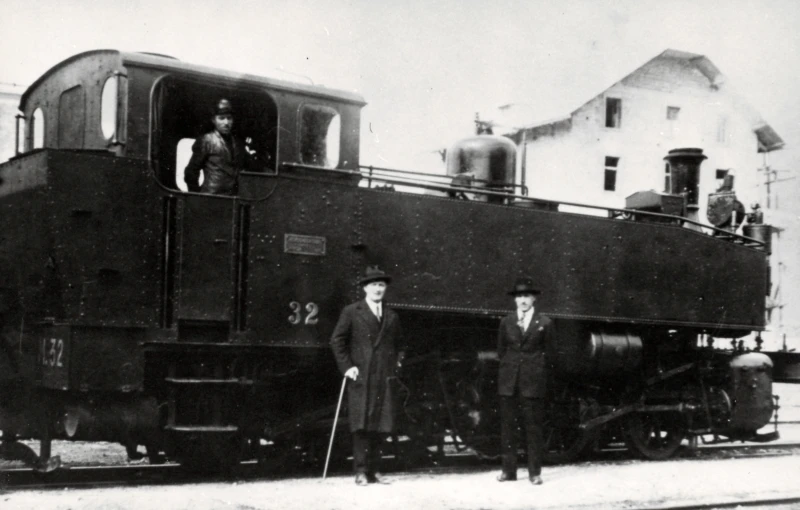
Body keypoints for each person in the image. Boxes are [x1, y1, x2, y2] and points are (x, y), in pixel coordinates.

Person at [330, 266, 403, 486]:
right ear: (365, 288)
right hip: (362, 376)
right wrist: (347, 367)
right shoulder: (352, 311)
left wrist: (396, 365)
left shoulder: (392, 315)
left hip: (384, 377)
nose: (378, 289)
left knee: (381, 425)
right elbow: (337, 340)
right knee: (361, 425)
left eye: (381, 285)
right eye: (373, 285)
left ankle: (375, 470)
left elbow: (400, 345)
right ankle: (360, 471)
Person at [496, 277, 553, 485]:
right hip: (509, 383)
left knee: (533, 429)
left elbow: (550, 353)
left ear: (534, 299)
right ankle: (508, 472)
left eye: (527, 296)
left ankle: (534, 473)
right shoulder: (506, 322)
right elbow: (501, 351)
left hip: (532, 383)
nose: (523, 300)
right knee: (508, 429)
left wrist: (536, 371)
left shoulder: (545, 323)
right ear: (515, 299)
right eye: (519, 296)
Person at [184, 98, 249, 195]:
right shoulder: (206, 140)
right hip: (211, 198)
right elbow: (191, 172)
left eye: (229, 118)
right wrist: (196, 197)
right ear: (213, 120)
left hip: (233, 198)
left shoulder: (238, 143)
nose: (226, 123)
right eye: (221, 118)